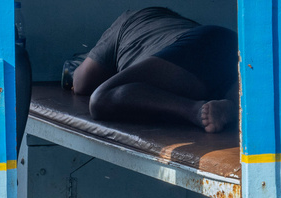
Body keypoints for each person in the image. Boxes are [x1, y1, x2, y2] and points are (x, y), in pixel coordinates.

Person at [71, 7, 239, 133]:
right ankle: (235, 108)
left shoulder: (125, 20)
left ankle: (196, 111)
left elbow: (81, 82)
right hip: (228, 41)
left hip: (197, 48)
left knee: (101, 99)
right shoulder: (167, 24)